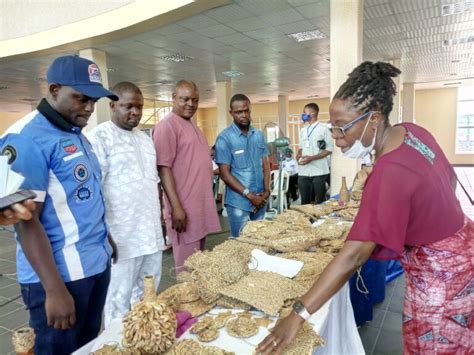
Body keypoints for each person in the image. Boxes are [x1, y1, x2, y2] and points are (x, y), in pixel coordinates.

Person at [257, 62, 472, 354]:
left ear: (374, 119)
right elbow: (448, 179)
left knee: (433, 346)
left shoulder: (388, 172)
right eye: (332, 127)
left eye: (342, 126)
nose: (335, 136)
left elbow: (354, 255)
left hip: (441, 274)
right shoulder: (412, 131)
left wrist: (297, 315)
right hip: (464, 246)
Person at [0, 55, 118, 354]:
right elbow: (26, 222)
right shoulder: (26, 139)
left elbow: (82, 197)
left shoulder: (75, 132)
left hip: (94, 266)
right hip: (60, 279)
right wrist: (54, 290)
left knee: (87, 347)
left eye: (94, 100)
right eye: (81, 99)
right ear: (54, 90)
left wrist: (106, 237)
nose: (90, 108)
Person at [88, 82, 164, 328]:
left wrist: (160, 222)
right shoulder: (99, 137)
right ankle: (116, 346)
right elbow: (93, 190)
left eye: (139, 107)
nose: (135, 112)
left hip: (150, 235)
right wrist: (104, 233)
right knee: (118, 300)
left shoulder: (144, 139)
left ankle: (144, 339)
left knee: (148, 295)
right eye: (128, 106)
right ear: (112, 105)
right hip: (121, 237)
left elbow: (153, 183)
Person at [153, 80, 220, 274]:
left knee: (197, 269)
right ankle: (185, 305)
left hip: (199, 209)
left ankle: (194, 304)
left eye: (195, 100)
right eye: (184, 99)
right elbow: (163, 168)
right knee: (186, 273)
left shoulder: (192, 125)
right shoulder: (167, 126)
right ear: (173, 98)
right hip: (184, 212)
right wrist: (176, 208)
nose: (190, 104)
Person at [215, 94, 270, 238]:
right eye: (239, 112)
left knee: (260, 241)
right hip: (239, 203)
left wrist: (267, 191)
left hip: (260, 200)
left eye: (246, 111)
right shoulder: (224, 138)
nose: (244, 115)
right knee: (240, 243)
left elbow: (265, 165)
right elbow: (225, 174)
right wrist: (250, 195)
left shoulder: (258, 135)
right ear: (231, 113)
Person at [296, 103, 333, 204]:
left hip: (319, 171)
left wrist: (312, 158)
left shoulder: (323, 129)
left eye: (304, 112)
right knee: (304, 202)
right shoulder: (303, 130)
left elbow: (329, 149)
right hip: (303, 171)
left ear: (312, 113)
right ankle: (306, 220)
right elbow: (301, 147)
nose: (303, 114)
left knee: (320, 202)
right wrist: (298, 155)